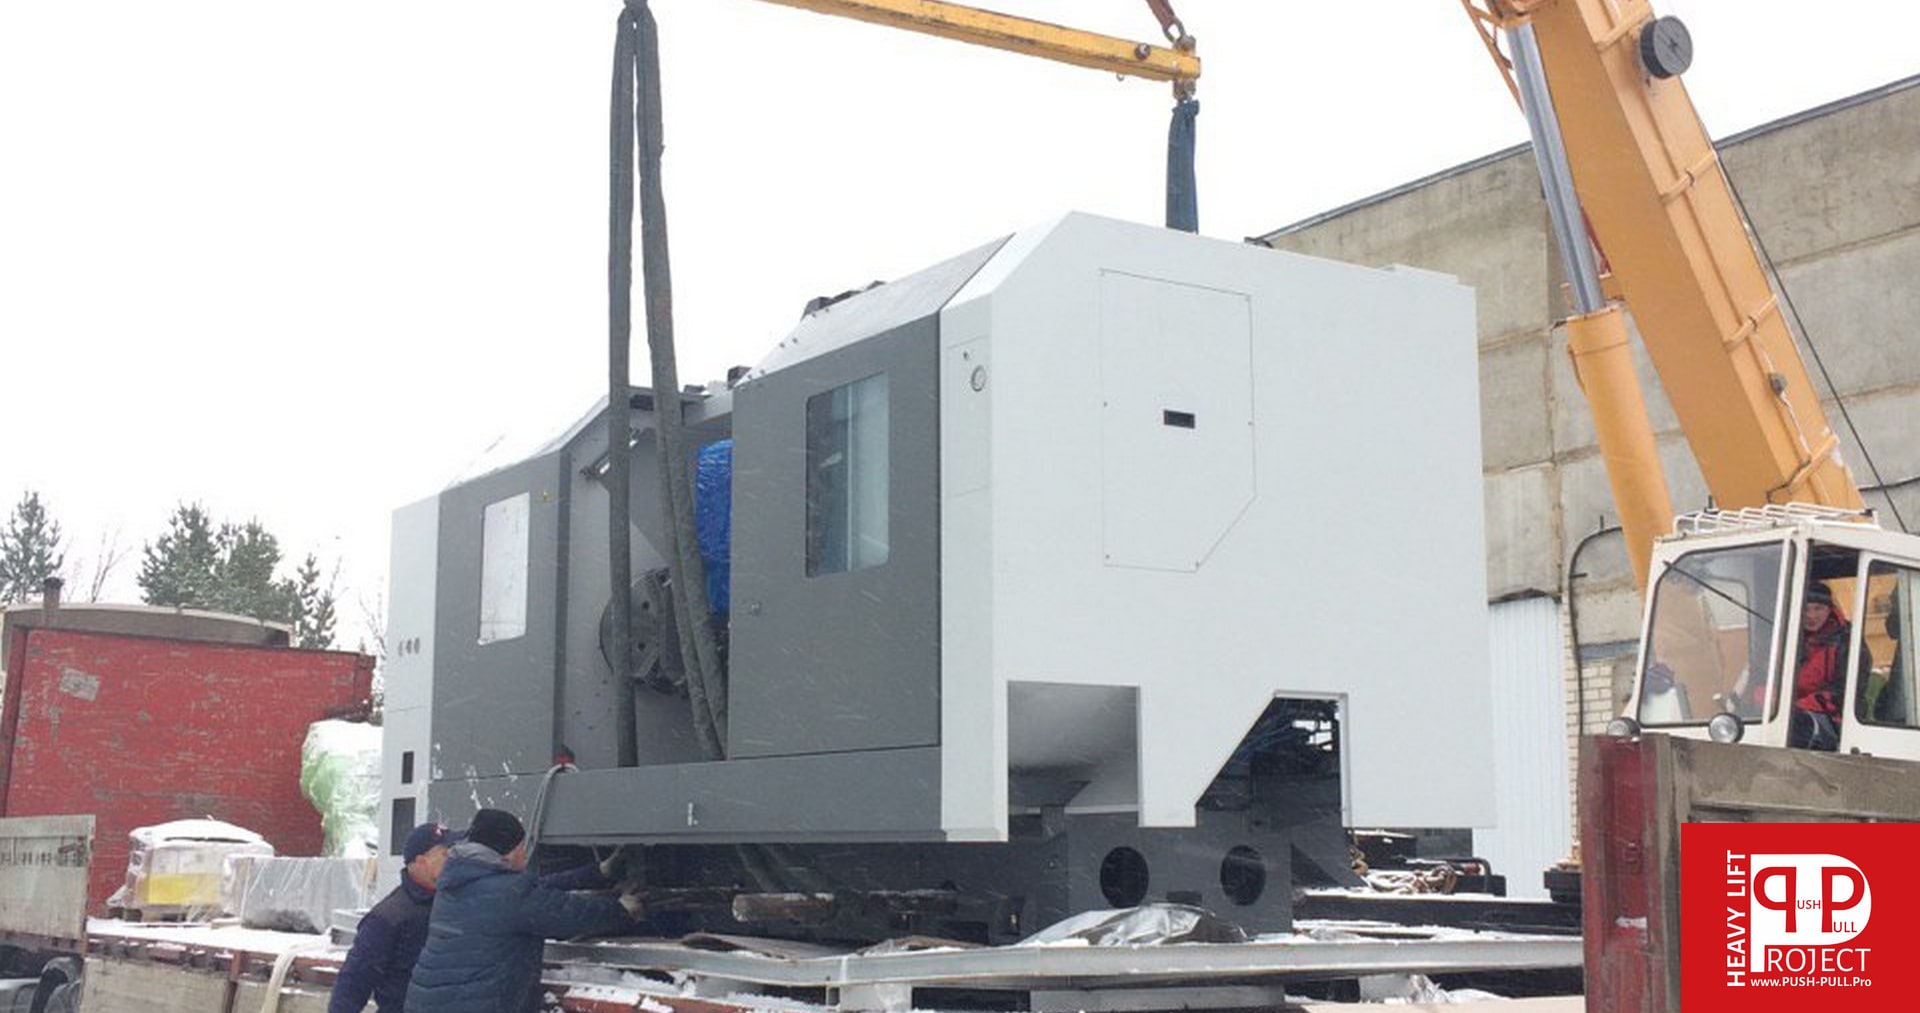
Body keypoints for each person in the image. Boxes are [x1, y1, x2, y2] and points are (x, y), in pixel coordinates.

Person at [404, 808, 644, 1013]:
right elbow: (569, 914)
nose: (525, 853)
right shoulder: (507, 893)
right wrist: (621, 909)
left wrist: (596, 873)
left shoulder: (458, 884)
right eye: (522, 846)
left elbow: (534, 890)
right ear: (508, 851)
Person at [330, 823, 454, 1013]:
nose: (454, 860)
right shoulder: (389, 917)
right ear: (422, 862)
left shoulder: (458, 904)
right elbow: (355, 980)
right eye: (446, 854)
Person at [1789, 581, 1851, 749]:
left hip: (1831, 717)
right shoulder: (1786, 638)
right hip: (1788, 711)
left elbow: (1846, 692)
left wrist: (1800, 706)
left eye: (1818, 608)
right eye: (1805, 609)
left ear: (1829, 609)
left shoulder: (1846, 641)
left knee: (1795, 729)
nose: (1811, 615)